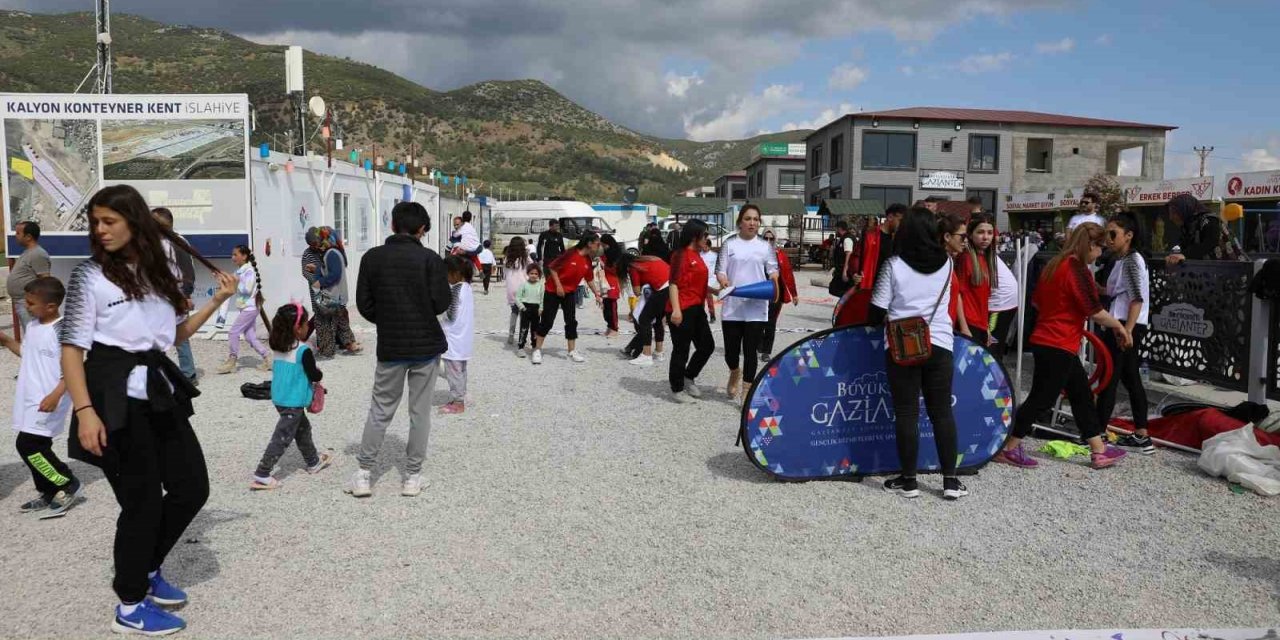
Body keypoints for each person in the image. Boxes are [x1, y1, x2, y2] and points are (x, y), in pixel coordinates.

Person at [60, 184, 235, 635]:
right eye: (95, 223)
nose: (99, 231)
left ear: (133, 222)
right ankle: (130, 603)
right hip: (112, 395)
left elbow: (173, 337)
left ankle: (146, 566)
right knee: (140, 503)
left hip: (157, 387)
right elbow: (72, 350)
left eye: (108, 222)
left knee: (191, 487)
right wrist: (84, 411)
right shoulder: (89, 276)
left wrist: (216, 301)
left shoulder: (159, 272)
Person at [993, 223, 1131, 470]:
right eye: (1099, 247)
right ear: (1090, 245)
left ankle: (1098, 450)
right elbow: (1095, 311)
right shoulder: (1077, 270)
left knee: (1080, 394)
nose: (1099, 254)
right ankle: (1008, 447)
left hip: (1048, 339)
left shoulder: (1053, 266)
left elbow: (1037, 303)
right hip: (1060, 341)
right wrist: (1119, 327)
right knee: (1041, 399)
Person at [351, 202, 452, 498]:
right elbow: (441, 303)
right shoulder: (430, 260)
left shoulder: (372, 258)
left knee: (380, 409)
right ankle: (412, 476)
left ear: (393, 225)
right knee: (419, 413)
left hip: (391, 345)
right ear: (421, 229)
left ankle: (363, 474)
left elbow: (365, 304)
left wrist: (389, 317)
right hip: (426, 345)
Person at [868, 207, 967, 500]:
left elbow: (875, 312)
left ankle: (909, 481)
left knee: (907, 413)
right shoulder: (948, 263)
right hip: (940, 343)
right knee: (942, 413)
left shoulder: (894, 265)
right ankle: (950, 481)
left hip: (902, 346)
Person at [1, 276, 81, 517]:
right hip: (30, 399)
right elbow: (25, 353)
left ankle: (66, 483)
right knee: (36, 445)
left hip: (49, 399)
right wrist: (6, 341)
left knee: (28, 445)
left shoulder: (63, 330)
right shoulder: (35, 327)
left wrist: (56, 394)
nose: (26, 306)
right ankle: (48, 491)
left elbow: (73, 367)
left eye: (31, 303)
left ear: (51, 306)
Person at [249, 303, 333, 490]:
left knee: (302, 428)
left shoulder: (278, 345)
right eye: (305, 325)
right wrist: (319, 376)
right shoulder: (303, 350)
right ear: (297, 328)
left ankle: (313, 461)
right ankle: (262, 473)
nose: (307, 328)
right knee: (283, 436)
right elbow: (314, 375)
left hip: (279, 397)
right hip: (293, 401)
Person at [1098, 212, 1154, 454]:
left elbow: (1136, 298)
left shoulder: (1131, 260)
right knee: (1130, 378)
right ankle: (1141, 433)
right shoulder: (1121, 260)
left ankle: (1097, 431)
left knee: (1109, 376)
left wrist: (1127, 330)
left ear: (1128, 236)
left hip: (1124, 323)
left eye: (1114, 234)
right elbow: (1116, 291)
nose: (1109, 239)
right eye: (1107, 233)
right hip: (1123, 321)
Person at [716, 204, 778, 400]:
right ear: (739, 222)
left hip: (756, 307)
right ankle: (735, 372)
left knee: (751, 352)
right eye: (748, 219)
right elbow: (720, 269)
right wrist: (723, 279)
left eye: (756, 219)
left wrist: (775, 279)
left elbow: (773, 269)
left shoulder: (765, 247)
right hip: (733, 306)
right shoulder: (729, 244)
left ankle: (747, 391)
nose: (752, 223)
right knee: (731, 353)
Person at [532, 232, 603, 365]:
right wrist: (558, 286)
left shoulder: (588, 259)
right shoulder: (570, 253)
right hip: (553, 291)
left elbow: (589, 279)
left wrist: (597, 294)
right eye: (597, 243)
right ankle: (537, 349)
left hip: (569, 293)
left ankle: (572, 351)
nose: (599, 246)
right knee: (547, 321)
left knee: (571, 321)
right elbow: (552, 268)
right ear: (589, 243)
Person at [666, 219, 715, 403]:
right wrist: (676, 310)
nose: (707, 239)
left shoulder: (697, 255)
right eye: (705, 235)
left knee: (707, 346)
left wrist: (717, 291)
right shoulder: (680, 255)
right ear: (695, 236)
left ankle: (688, 376)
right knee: (681, 350)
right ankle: (676, 388)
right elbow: (673, 284)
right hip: (682, 308)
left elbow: (697, 283)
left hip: (697, 308)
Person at [152, 209, 198, 384]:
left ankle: (188, 374)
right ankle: (155, 372)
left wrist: (186, 294)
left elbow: (188, 270)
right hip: (155, 299)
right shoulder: (152, 243)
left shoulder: (177, 243)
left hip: (175, 298)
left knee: (180, 335)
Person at [302, 226, 361, 358]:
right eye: (312, 244)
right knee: (328, 318)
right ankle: (339, 344)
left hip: (330, 291)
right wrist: (316, 277)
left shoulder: (329, 253)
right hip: (322, 291)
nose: (315, 246)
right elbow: (311, 271)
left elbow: (332, 273)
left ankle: (332, 347)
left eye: (316, 243)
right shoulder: (312, 253)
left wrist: (320, 280)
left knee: (329, 319)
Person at [843, 204, 905, 325]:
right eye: (901, 220)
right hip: (870, 287)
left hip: (891, 290)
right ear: (890, 217)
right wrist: (854, 273)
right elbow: (856, 257)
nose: (902, 224)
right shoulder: (870, 235)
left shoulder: (900, 238)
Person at [217, 245, 271, 374]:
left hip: (250, 308)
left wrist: (235, 283)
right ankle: (268, 358)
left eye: (235, 255)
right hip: (246, 307)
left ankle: (232, 360)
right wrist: (220, 277)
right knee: (250, 336)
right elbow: (231, 281)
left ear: (244, 256)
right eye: (232, 255)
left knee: (233, 332)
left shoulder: (249, 271)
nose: (233, 257)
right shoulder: (240, 271)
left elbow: (246, 289)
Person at [619, 234, 670, 366]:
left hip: (661, 289)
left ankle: (646, 355)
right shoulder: (649, 259)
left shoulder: (634, 267)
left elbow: (636, 292)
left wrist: (642, 284)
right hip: (672, 287)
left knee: (644, 319)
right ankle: (659, 352)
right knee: (659, 320)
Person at [953, 213, 997, 346]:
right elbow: (958, 294)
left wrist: (987, 328)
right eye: (980, 232)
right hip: (968, 324)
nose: (985, 237)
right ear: (970, 235)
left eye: (990, 233)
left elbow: (983, 299)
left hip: (980, 324)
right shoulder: (965, 258)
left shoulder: (986, 258)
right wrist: (964, 327)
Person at [440, 255, 475, 414]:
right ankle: (462, 395)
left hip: (454, 339)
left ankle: (458, 402)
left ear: (454, 273)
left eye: (446, 274)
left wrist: (441, 316)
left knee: (453, 371)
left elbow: (451, 314)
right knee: (461, 370)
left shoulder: (455, 290)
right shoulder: (467, 287)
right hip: (464, 339)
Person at [1165, 193, 1239, 265]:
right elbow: (1185, 248)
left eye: (1174, 213)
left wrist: (1185, 255)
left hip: (1232, 269)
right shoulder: (1188, 227)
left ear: (1185, 209)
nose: (1171, 217)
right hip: (1209, 271)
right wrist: (1174, 257)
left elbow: (1210, 242)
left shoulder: (1209, 220)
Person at [6, 220, 51, 335]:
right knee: (31, 334)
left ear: (28, 237)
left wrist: (36, 303)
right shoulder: (28, 252)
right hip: (22, 302)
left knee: (34, 335)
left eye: (18, 233)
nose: (15, 236)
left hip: (28, 303)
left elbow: (45, 280)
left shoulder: (38, 254)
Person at [759, 231, 798, 361]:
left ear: (775, 239)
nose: (768, 241)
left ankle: (766, 351)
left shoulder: (780, 255)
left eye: (771, 238)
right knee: (757, 321)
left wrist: (794, 294)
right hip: (759, 293)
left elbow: (788, 275)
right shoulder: (756, 254)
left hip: (776, 293)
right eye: (766, 238)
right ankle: (758, 345)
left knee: (771, 323)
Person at [503, 237, 531, 345]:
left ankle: (511, 334)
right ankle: (522, 335)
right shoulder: (525, 258)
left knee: (514, 312)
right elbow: (532, 267)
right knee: (524, 314)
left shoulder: (507, 258)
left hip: (511, 288)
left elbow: (505, 273)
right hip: (523, 287)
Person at [514, 264, 544, 357]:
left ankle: (534, 346)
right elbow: (517, 298)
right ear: (528, 274)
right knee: (524, 329)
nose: (533, 275)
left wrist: (541, 308)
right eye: (531, 273)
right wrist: (522, 307)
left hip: (536, 309)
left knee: (535, 329)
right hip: (525, 308)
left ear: (538, 275)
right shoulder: (523, 285)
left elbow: (542, 298)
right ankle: (521, 347)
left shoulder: (541, 285)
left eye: (536, 274)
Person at [598, 235, 623, 338]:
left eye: (604, 245)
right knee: (606, 307)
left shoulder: (616, 255)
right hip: (605, 282)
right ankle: (609, 326)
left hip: (612, 282)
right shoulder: (605, 253)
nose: (603, 247)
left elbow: (616, 271)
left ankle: (614, 328)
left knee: (612, 306)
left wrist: (604, 266)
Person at [827, 220, 855, 298]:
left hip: (845, 270)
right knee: (836, 288)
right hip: (841, 269)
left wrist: (845, 271)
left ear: (839, 228)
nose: (836, 231)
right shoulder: (844, 238)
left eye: (836, 229)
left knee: (834, 288)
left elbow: (848, 254)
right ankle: (846, 300)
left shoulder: (847, 239)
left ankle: (847, 299)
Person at [700, 241, 720, 322]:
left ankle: (712, 315)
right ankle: (701, 315)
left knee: (708, 297)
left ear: (709, 246)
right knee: (700, 298)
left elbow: (717, 267)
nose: (704, 248)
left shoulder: (714, 255)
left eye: (705, 246)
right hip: (700, 279)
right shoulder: (699, 254)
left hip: (710, 279)